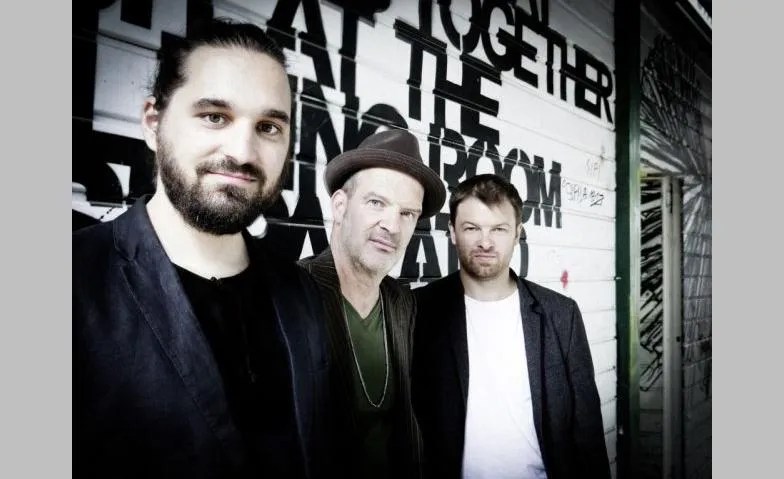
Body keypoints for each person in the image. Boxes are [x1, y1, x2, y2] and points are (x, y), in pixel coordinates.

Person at [73, 18, 336, 479]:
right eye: (215, 116)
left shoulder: (303, 293)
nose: (243, 152)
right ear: (153, 123)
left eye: (269, 127)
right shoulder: (69, 281)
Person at [412, 173, 611, 479]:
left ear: (517, 233)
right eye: (471, 228)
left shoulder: (561, 314)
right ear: (452, 231)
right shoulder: (419, 310)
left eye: (499, 229)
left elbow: (587, 433)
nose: (485, 242)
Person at [298, 128, 446, 479]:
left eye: (407, 213)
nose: (392, 226)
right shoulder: (289, 293)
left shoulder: (402, 303)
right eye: (376, 203)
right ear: (340, 206)